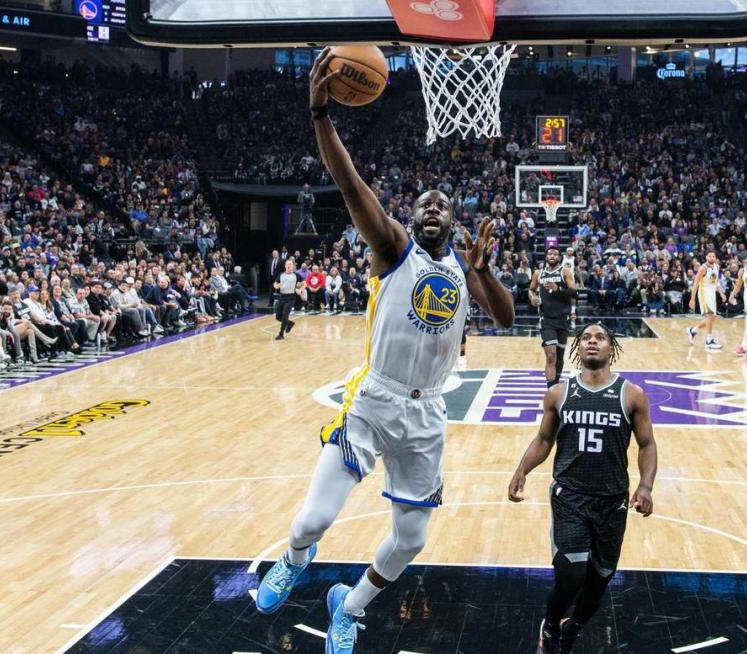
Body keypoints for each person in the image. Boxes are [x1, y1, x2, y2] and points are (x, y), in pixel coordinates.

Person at [254, 48, 515, 654]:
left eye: (440, 205)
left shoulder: (464, 267)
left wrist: (485, 272)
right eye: (421, 203)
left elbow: (504, 317)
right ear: (410, 216)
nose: (430, 209)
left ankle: (347, 606)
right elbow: (349, 183)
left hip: (427, 415)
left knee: (411, 538)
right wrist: (321, 114)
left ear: (452, 218)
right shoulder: (393, 246)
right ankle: (295, 559)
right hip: (374, 400)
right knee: (313, 521)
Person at [507, 323, 657, 654]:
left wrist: (645, 486)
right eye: (586, 338)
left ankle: (573, 626)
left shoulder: (632, 395)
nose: (592, 342)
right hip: (569, 497)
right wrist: (522, 470)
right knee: (571, 575)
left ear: (610, 348)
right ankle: (550, 625)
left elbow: (646, 444)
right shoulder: (559, 394)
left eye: (600, 337)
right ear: (578, 348)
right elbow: (544, 438)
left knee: (599, 580)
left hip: (613, 501)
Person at [530, 247, 578, 389]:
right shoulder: (538, 273)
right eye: (549, 253)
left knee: (559, 358)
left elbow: (575, 294)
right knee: (551, 355)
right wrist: (533, 297)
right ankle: (550, 390)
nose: (552, 256)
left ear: (559, 257)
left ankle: (555, 385)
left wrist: (558, 289)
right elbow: (531, 290)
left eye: (555, 254)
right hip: (546, 319)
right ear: (546, 257)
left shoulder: (565, 272)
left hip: (563, 319)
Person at [686, 250, 725, 351]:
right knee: (709, 316)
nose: (712, 258)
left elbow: (717, 282)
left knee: (711, 319)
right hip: (704, 293)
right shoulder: (702, 269)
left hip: (712, 294)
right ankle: (709, 341)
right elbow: (695, 284)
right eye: (710, 256)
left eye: (713, 256)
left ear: (715, 258)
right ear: (706, 257)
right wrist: (692, 299)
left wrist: (721, 292)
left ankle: (692, 331)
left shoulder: (717, 267)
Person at [273, 259, 298, 340]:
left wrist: (300, 288)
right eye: (287, 264)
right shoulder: (281, 275)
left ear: (293, 266)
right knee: (278, 317)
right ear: (285, 266)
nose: (289, 265)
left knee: (284, 316)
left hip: (291, 298)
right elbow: (275, 283)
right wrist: (276, 286)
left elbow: (304, 282)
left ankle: (281, 334)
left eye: (290, 264)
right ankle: (290, 323)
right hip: (282, 297)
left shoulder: (296, 275)